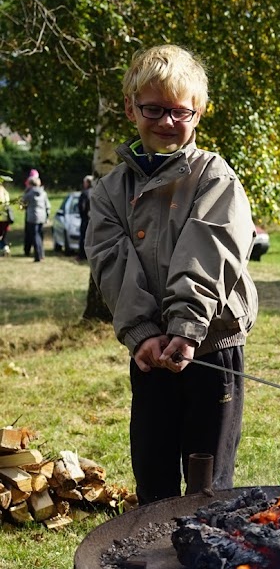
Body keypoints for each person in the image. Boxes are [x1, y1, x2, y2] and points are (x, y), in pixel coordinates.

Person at [85, 44, 259, 505]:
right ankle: (151, 567)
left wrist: (186, 329)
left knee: (207, 481)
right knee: (153, 472)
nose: (165, 122)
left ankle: (202, 564)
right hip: (150, 353)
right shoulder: (110, 191)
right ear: (130, 109)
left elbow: (210, 250)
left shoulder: (215, 177)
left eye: (179, 111)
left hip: (210, 346)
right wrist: (143, 333)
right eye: (153, 109)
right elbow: (111, 263)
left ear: (198, 113)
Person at [20, 175, 50, 262]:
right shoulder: (44, 193)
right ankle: (41, 254)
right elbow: (47, 205)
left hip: (32, 217)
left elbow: (22, 203)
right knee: (40, 236)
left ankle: (37, 256)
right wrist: (47, 216)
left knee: (35, 236)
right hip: (42, 216)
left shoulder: (29, 194)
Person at [77, 174, 93, 261]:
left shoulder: (85, 193)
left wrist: (82, 215)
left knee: (83, 238)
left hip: (86, 219)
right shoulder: (96, 192)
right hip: (94, 219)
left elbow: (81, 207)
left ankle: (82, 255)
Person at [0, 172, 13, 256]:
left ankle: (5, 248)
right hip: (5, 218)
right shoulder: (5, 192)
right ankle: (5, 248)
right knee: (3, 235)